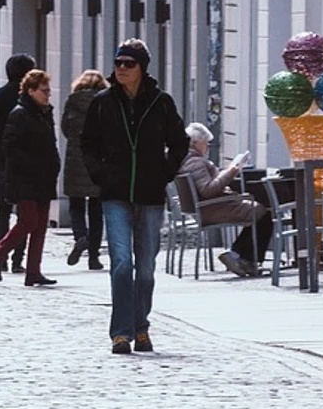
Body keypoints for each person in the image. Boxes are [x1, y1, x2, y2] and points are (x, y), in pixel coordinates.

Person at [80, 39, 186, 354]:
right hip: (114, 194)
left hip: (150, 194)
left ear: (142, 68)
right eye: (118, 63)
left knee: (147, 269)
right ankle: (121, 333)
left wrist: (164, 171)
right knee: (122, 263)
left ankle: (141, 327)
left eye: (129, 63)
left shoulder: (161, 102)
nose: (122, 69)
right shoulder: (102, 102)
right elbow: (87, 144)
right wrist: (100, 174)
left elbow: (179, 142)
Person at [0, 69, 61, 286]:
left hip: (44, 177)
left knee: (40, 225)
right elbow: (10, 146)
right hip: (25, 179)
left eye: (48, 91)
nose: (48, 95)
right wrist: (31, 165)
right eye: (44, 91)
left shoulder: (45, 113)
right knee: (29, 220)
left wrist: (54, 164)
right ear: (31, 90)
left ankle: (34, 271)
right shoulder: (20, 113)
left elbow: (51, 143)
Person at [177, 123, 271, 277]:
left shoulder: (186, 159)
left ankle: (241, 257)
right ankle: (239, 256)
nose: (208, 146)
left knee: (258, 211)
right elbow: (208, 190)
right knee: (263, 213)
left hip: (208, 207)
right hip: (211, 208)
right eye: (205, 142)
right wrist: (230, 173)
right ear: (195, 143)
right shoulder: (196, 162)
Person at [0, 54, 36, 241]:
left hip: (3, 157)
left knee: (4, 206)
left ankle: (1, 251)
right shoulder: (32, 96)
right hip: (28, 157)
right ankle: (18, 256)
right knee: (24, 208)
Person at [60, 69, 106, 271]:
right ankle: (94, 257)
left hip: (75, 159)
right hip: (97, 160)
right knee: (96, 210)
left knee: (75, 206)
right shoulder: (106, 103)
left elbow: (65, 129)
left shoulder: (72, 102)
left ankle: (81, 237)